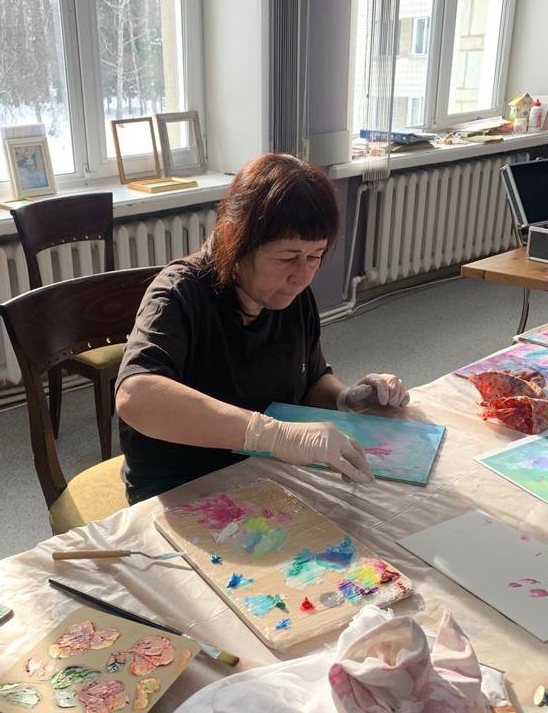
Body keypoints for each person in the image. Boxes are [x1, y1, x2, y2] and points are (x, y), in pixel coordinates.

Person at [115, 153, 409, 503]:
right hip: (184, 487)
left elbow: (311, 380)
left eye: (315, 256)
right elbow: (136, 396)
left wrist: (346, 399)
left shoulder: (290, 294)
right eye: (286, 258)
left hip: (263, 472)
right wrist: (272, 435)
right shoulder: (179, 295)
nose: (302, 276)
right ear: (232, 238)